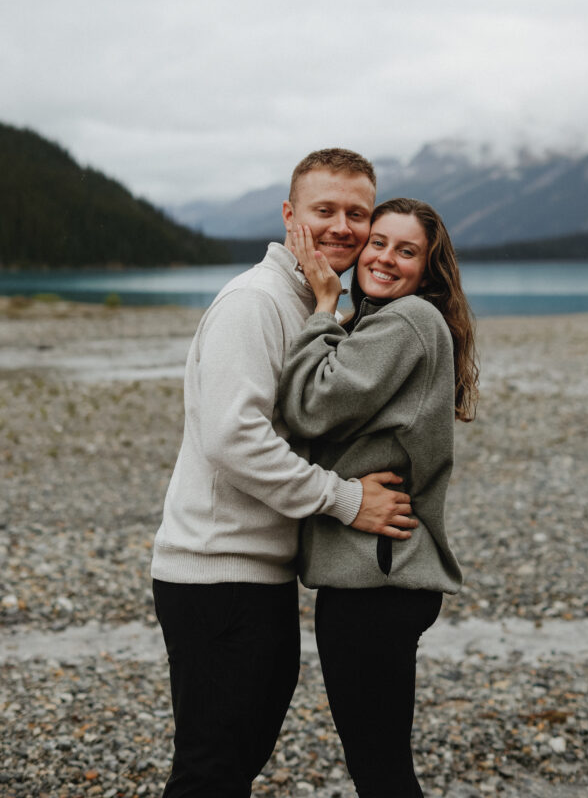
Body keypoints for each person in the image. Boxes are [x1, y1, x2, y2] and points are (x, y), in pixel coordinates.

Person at [151, 150, 418, 798]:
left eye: (357, 213)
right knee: (211, 770)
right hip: (218, 573)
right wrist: (346, 501)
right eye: (324, 209)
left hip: (258, 572)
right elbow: (232, 438)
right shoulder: (255, 301)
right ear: (289, 214)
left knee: (231, 764)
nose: (342, 226)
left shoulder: (313, 302)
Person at [279, 197, 478, 798]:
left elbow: (310, 405)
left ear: (427, 268)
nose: (386, 258)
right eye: (379, 243)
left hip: (375, 581)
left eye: (407, 250)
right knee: (381, 764)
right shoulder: (393, 324)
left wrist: (321, 306)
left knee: (382, 772)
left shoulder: (405, 321)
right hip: (383, 579)